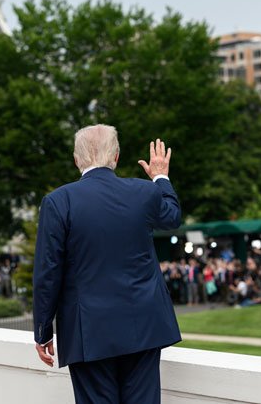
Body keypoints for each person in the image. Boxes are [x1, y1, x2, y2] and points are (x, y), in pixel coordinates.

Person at [33, 126, 181, 404]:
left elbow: (47, 272)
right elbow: (172, 217)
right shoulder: (142, 191)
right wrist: (161, 177)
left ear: (77, 160)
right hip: (144, 325)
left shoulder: (58, 201)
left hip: (88, 329)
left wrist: (42, 331)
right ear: (116, 157)